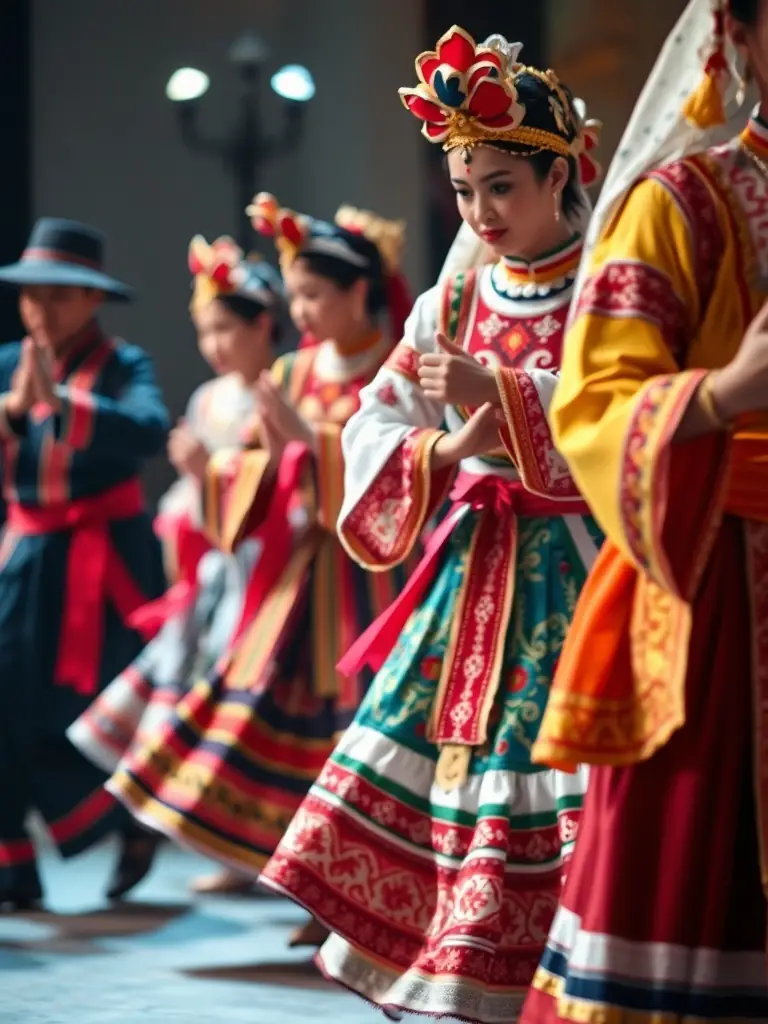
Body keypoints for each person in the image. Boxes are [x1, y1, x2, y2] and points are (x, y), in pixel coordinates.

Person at [261, 27, 604, 1023]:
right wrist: (442, 453)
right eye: (463, 190)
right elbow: (377, 415)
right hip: (473, 568)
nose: (481, 211)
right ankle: (449, 966)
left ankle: (553, 976)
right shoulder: (455, 293)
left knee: (550, 768)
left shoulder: (605, 285)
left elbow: (623, 407)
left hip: (579, 559)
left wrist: (500, 391)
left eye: (502, 185)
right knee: (451, 761)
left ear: (559, 174)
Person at [520, 0, 768, 1019]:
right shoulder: (685, 202)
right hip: (718, 591)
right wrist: (719, 392)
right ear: (740, 36)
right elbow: (592, 403)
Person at [106, 198, 416, 934]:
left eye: (313, 295)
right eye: (296, 295)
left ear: (357, 292)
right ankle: (307, 883)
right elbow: (252, 464)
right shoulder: (293, 369)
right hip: (298, 576)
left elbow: (404, 465)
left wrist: (311, 445)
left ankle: (353, 889)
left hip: (374, 576)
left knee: (363, 726)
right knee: (284, 722)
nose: (301, 311)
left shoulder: (394, 367)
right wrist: (215, 471)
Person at [67, 236, 284, 896]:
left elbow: (275, 485)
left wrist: (208, 473)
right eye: (205, 331)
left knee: (249, 703)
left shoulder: (279, 391)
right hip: (212, 568)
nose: (215, 345)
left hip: (262, 562)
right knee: (195, 694)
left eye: (226, 329)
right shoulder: (213, 400)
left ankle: (264, 847)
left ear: (262, 325)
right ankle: (223, 845)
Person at [0, 218, 169, 909]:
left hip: (105, 566)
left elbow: (148, 430)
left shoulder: (125, 365)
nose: (41, 311)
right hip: (26, 555)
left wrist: (60, 403)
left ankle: (128, 819)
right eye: (31, 296)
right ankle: (16, 864)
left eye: (60, 296)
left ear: (93, 300)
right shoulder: (8, 361)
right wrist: (13, 414)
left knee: (83, 715)